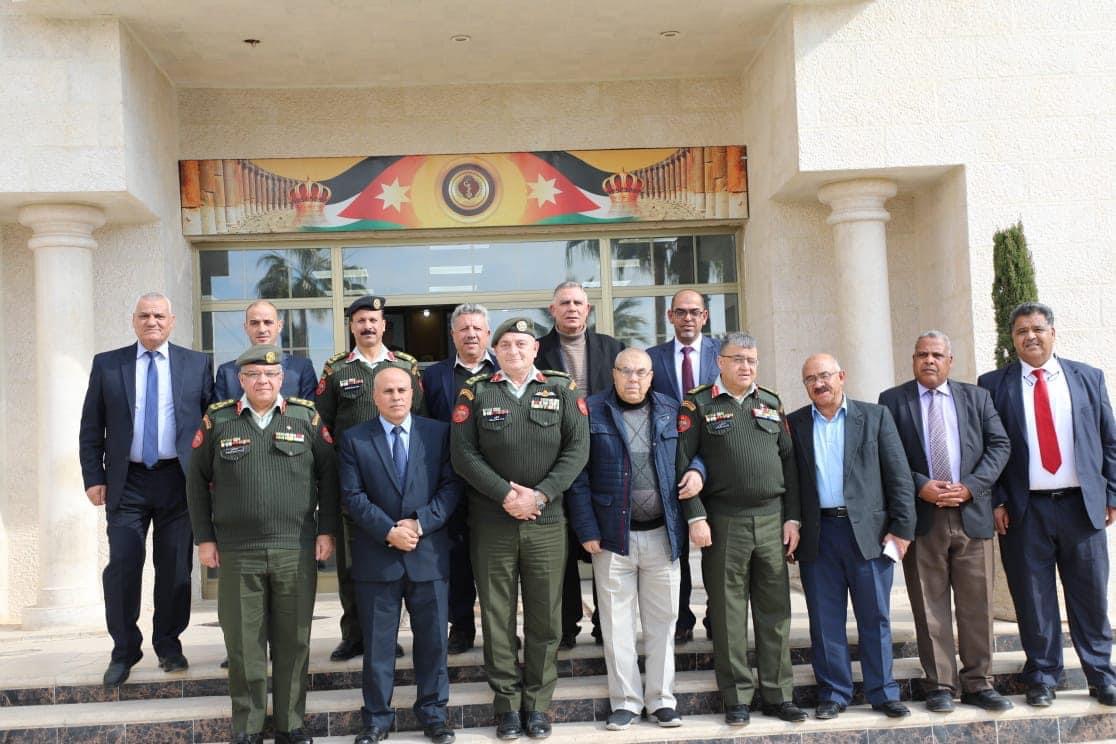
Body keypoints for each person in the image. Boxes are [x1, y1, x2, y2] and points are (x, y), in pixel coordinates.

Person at [186, 344, 337, 744]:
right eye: (253, 375)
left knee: (294, 640)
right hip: (238, 552)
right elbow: (196, 482)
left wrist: (326, 530)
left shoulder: (305, 417)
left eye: (270, 375)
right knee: (243, 642)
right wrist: (204, 538)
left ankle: (290, 724)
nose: (263, 381)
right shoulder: (219, 421)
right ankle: (248, 725)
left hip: (295, 549)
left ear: (282, 378)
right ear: (241, 380)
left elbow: (330, 476)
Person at [451, 317, 589, 740]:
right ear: (495, 351)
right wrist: (506, 495)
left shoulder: (561, 389)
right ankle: (507, 706)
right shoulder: (476, 391)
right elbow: (463, 453)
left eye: (521, 344)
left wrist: (540, 495)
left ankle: (538, 704)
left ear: (535, 350)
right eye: (506, 344)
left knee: (545, 618)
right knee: (497, 617)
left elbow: (578, 448)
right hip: (493, 522)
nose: (514, 351)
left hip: (546, 522)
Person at [978, 302, 1116, 708]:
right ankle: (1042, 676)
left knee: (1090, 596)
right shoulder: (993, 385)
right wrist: (997, 500)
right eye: (1021, 331)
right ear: (1013, 338)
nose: (1030, 336)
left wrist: (1112, 494)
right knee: (1032, 597)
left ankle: (1101, 676)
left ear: (1053, 332)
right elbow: (987, 448)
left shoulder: (1087, 378)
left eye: (1037, 328)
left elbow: (1109, 440)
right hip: (1025, 511)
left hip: (1081, 507)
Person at [79, 292, 214, 687]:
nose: (152, 321)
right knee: (123, 564)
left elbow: (211, 426)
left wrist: (211, 479)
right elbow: (91, 427)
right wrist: (94, 477)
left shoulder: (196, 364)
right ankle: (124, 649)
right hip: (127, 482)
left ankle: (169, 645)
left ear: (172, 321)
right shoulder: (108, 364)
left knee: (174, 568)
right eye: (144, 315)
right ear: (133, 320)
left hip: (178, 481)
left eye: (159, 315)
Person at [675, 332, 805, 726]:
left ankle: (779, 695)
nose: (746, 366)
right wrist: (696, 516)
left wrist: (793, 518)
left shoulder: (771, 403)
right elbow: (682, 462)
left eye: (751, 360)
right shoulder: (698, 404)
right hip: (724, 521)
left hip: (771, 520)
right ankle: (737, 698)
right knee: (729, 614)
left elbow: (790, 465)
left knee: (775, 611)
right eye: (738, 359)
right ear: (720, 362)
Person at [567, 348, 700, 731]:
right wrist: (587, 529)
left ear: (651, 376)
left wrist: (698, 472)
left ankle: (661, 700)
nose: (633, 379)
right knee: (616, 625)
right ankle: (625, 701)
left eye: (641, 372)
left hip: (663, 534)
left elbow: (695, 453)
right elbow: (578, 476)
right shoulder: (591, 410)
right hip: (612, 538)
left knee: (663, 623)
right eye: (626, 371)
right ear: (613, 373)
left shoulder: (671, 409)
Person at [878, 332, 1012, 713]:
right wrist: (920, 485)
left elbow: (1000, 446)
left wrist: (971, 486)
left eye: (937, 355)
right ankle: (939, 685)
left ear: (950, 360)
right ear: (913, 359)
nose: (929, 361)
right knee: (929, 605)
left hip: (972, 515)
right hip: (923, 518)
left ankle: (979, 683)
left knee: (977, 605)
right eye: (922, 354)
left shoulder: (977, 397)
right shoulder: (893, 401)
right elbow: (888, 454)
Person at [787, 354, 915, 720]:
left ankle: (883, 692)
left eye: (825, 375)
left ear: (841, 376)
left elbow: (899, 476)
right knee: (824, 620)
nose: (819, 384)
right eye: (810, 379)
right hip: (819, 535)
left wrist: (902, 530)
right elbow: (791, 482)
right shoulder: (794, 423)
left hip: (869, 535)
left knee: (875, 617)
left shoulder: (875, 417)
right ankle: (834, 693)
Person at [340, 364, 462, 744]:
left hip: (428, 556)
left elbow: (451, 487)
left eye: (402, 390)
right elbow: (352, 496)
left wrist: (420, 523)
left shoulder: (438, 434)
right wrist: (388, 531)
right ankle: (376, 719)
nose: (396, 397)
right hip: (378, 559)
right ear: (375, 397)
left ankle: (434, 714)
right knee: (378, 646)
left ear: (413, 394)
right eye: (388, 391)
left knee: (433, 643)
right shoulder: (354, 439)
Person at [317, 294, 422, 662]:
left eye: (373, 320)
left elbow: (420, 420)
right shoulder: (336, 370)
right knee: (351, 566)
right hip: (353, 483)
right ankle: (353, 635)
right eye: (360, 321)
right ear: (351, 326)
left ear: (383, 325)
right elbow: (323, 426)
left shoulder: (405, 366)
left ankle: (386, 636)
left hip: (397, 480)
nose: (367, 326)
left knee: (392, 565)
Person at [537, 281, 623, 649]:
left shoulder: (613, 349)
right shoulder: (537, 351)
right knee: (563, 549)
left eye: (578, 303)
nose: (572, 308)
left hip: (604, 459)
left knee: (607, 545)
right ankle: (567, 626)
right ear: (553, 310)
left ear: (588, 309)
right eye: (564, 303)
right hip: (555, 459)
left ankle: (606, 624)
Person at [421, 303, 498, 655]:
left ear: (488, 334)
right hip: (451, 483)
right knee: (456, 559)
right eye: (464, 329)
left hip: (496, 484)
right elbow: (424, 428)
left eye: (477, 329)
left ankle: (500, 631)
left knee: (497, 561)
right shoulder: (434, 376)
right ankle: (461, 627)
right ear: (452, 335)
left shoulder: (504, 370)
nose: (471, 334)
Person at [646, 289, 721, 643]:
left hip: (716, 461)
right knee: (675, 545)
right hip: (668, 464)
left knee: (716, 546)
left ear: (705, 316)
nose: (687, 318)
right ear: (670, 316)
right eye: (681, 312)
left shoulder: (723, 355)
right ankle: (682, 619)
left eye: (694, 312)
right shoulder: (653, 358)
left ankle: (717, 617)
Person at [213, 300, 318, 401]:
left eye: (268, 322)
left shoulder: (302, 369)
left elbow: (310, 411)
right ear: (246, 328)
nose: (262, 329)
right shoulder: (227, 373)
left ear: (279, 326)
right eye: (254, 323)